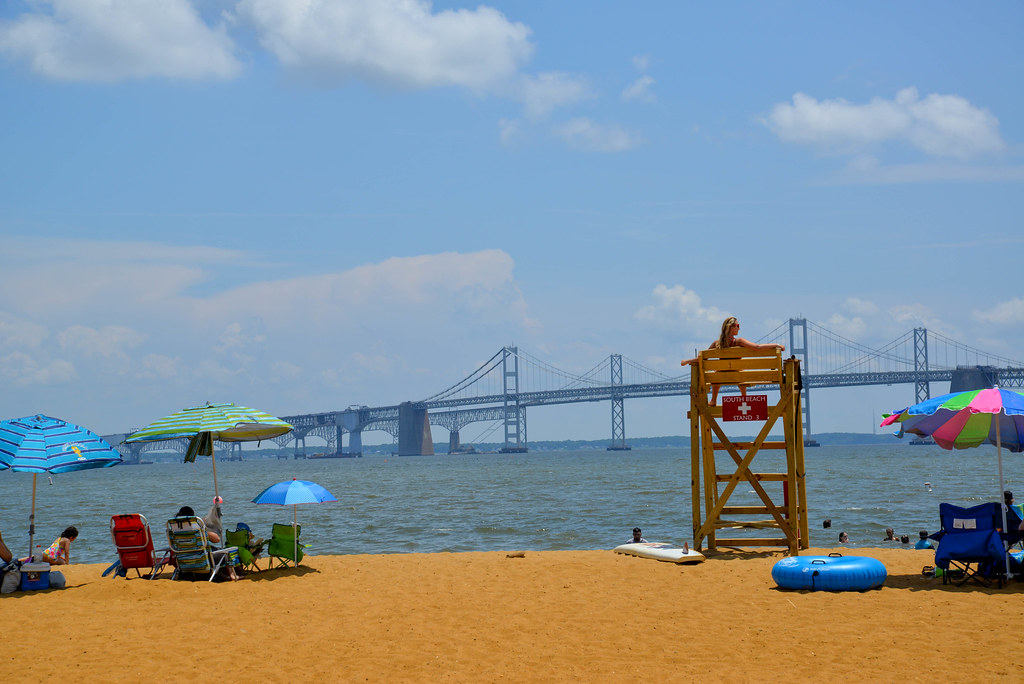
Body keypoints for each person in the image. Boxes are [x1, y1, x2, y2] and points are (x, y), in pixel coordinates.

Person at [681, 316, 786, 405]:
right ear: (731, 328)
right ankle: (744, 398)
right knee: (741, 371)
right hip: (738, 376)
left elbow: (702, 358)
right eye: (738, 326)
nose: (739, 328)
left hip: (721, 377)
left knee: (715, 373)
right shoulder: (739, 341)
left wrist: (687, 361)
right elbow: (757, 347)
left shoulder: (716, 344)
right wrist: (777, 345)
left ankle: (713, 400)